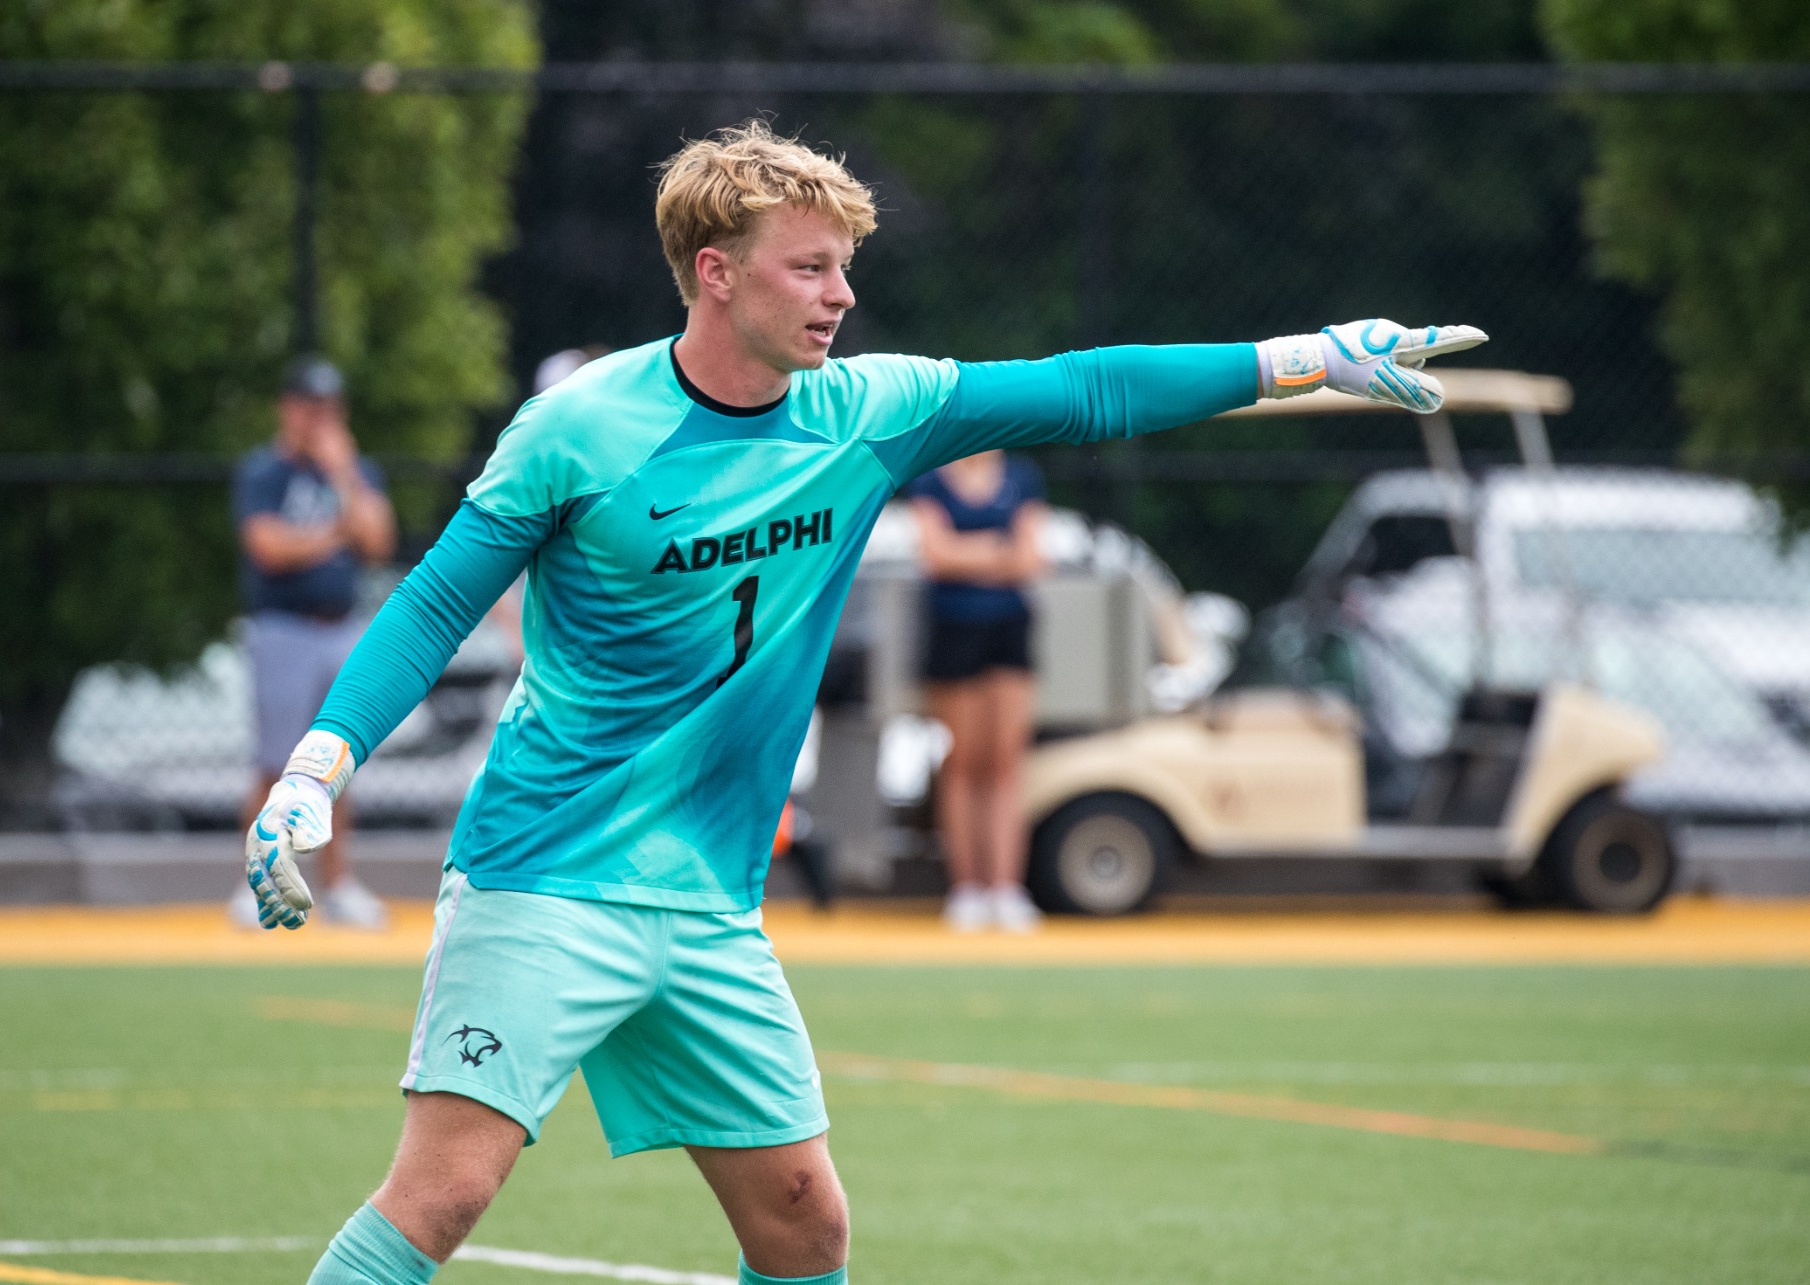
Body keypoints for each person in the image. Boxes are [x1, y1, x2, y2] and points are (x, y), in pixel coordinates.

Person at [239, 121, 1485, 1285]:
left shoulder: (864, 414)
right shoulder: (576, 428)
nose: (841, 294)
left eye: (846, 267)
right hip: (545, 877)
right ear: (716, 273)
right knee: (445, 1194)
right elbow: (430, 607)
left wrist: (1302, 362)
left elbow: (1083, 388)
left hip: (710, 904)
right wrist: (316, 770)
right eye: (812, 267)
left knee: (803, 1219)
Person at [229, 354, 397, 931]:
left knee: (336, 764)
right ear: (287, 408)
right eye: (309, 406)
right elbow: (268, 549)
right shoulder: (264, 472)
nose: (319, 418)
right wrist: (333, 532)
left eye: (329, 407)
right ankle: (255, 882)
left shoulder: (351, 470)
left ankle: (339, 885)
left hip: (341, 627)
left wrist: (345, 476)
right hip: (283, 629)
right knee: (275, 762)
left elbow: (377, 540)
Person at [907, 450, 1048, 932]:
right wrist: (995, 551)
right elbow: (934, 554)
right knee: (963, 762)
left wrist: (968, 553)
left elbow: (1030, 558)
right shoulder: (931, 479)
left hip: (1009, 629)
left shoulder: (1021, 476)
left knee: (1005, 760)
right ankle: (967, 889)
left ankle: (1006, 888)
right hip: (953, 629)